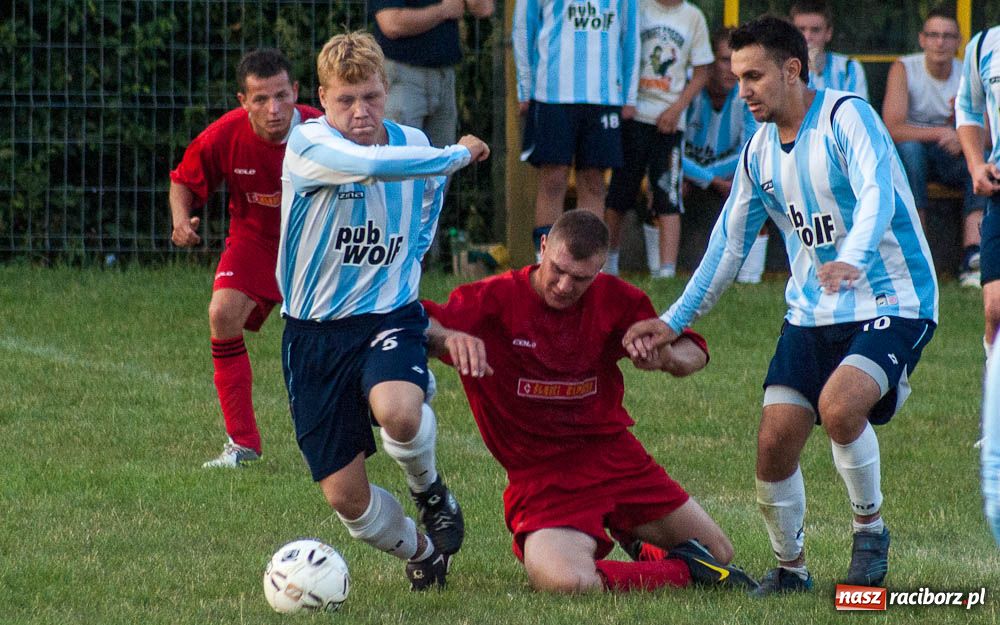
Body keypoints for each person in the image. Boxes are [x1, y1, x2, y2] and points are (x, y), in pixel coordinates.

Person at [623, 16, 938, 595]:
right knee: (773, 443)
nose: (742, 89)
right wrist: (672, 322)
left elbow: (878, 194)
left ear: (792, 70)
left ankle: (870, 534)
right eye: (737, 76)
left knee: (841, 408)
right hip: (812, 313)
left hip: (894, 298)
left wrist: (855, 256)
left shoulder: (848, 116)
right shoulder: (759, 151)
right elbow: (726, 246)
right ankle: (791, 569)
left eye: (754, 76)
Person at [423, 210, 758, 594]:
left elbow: (693, 351)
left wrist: (663, 356)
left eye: (580, 278)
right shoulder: (490, 301)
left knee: (719, 551)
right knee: (566, 581)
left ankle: (643, 541)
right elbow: (415, 322)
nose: (565, 286)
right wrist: (448, 338)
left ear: (599, 270)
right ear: (543, 246)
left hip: (615, 459)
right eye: (558, 270)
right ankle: (684, 572)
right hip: (542, 479)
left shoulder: (614, 299)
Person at [277, 31, 489, 590]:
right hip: (313, 334)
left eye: (370, 97)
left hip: (388, 317)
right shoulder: (309, 145)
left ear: (386, 90)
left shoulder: (412, 142)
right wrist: (458, 154)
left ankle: (430, 491)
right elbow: (374, 168)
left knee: (399, 411)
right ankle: (423, 551)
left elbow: (425, 208)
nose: (360, 111)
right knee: (346, 500)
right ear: (322, 98)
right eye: (346, 100)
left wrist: (406, 268)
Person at [169, 49, 323, 468]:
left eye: (281, 96)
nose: (274, 109)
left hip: (316, 246)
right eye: (260, 99)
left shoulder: (322, 129)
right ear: (243, 101)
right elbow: (182, 182)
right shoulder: (226, 134)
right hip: (254, 240)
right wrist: (181, 222)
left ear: (295, 91)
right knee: (222, 314)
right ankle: (242, 444)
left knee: (326, 342)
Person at [512, 0, 639, 259]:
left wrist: (630, 95)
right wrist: (524, 88)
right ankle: (545, 262)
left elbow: (630, 35)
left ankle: (589, 265)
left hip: (603, 96)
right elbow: (523, 29)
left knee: (594, 182)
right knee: (554, 178)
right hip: (552, 94)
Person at [603, 0, 713, 279]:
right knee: (619, 192)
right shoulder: (637, 8)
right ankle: (608, 266)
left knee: (667, 193)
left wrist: (677, 109)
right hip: (633, 115)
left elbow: (702, 70)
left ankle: (665, 271)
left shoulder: (693, 17)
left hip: (669, 121)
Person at [883, 7, 985, 287]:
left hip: (950, 155)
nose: (940, 42)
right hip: (914, 155)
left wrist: (961, 136)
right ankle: (918, 252)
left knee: (981, 161)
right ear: (922, 39)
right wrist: (943, 131)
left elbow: (988, 133)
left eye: (948, 36)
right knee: (911, 151)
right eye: (933, 35)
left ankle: (973, 256)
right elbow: (892, 128)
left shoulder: (969, 73)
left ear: (959, 41)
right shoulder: (904, 68)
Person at [681, 27, 766, 283]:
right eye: (725, 59)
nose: (732, 68)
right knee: (664, 185)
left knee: (761, 187)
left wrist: (717, 177)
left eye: (739, 61)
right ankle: (662, 272)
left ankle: (750, 280)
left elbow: (752, 149)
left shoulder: (748, 93)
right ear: (709, 61)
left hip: (728, 178)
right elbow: (670, 149)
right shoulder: (688, 88)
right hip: (695, 176)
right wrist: (709, 179)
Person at [370, 0, 495, 148]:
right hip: (403, 76)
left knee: (442, 161)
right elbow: (391, 24)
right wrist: (443, 11)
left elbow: (484, 8)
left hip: (443, 77)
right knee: (399, 156)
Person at [955, 25, 1000, 362]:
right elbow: (968, 107)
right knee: (995, 308)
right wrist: (975, 164)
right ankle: (993, 399)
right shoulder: (984, 44)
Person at [789, 0, 868, 99]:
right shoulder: (782, 70)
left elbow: (858, 109)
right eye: (801, 29)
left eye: (815, 30)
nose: (807, 37)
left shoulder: (849, 68)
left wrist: (817, 72)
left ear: (828, 33)